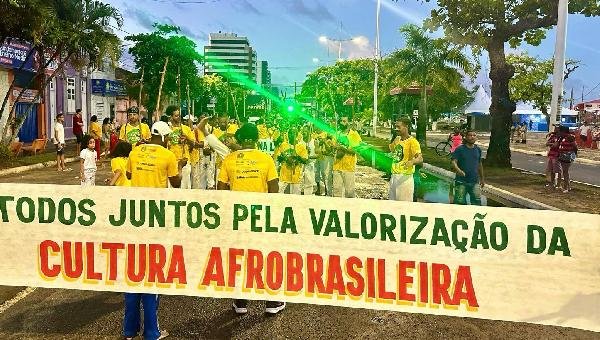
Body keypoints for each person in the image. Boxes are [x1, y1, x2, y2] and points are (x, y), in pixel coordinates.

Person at [216, 123, 286, 315]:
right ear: (256, 139)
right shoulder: (266, 159)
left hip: (238, 217)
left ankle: (241, 303)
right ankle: (272, 303)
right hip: (260, 216)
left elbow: (220, 189)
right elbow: (274, 189)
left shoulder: (229, 160)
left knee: (240, 257)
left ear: (240, 139)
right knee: (265, 257)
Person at [124, 121, 185, 340]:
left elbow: (130, 176)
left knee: (132, 271)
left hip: (133, 216)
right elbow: (176, 184)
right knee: (151, 273)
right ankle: (151, 332)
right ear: (167, 137)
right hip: (155, 218)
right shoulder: (168, 155)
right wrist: (180, 166)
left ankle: (129, 331)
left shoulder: (136, 151)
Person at [388, 117, 423, 201]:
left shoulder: (413, 142)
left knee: (403, 208)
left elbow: (420, 158)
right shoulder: (397, 139)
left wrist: (412, 162)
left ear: (406, 127)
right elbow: (391, 150)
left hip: (404, 178)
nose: (396, 129)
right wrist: (394, 135)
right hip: (394, 176)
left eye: (398, 127)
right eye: (395, 126)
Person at [451, 130, 485, 205]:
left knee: (477, 203)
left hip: (475, 181)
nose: (472, 137)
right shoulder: (460, 149)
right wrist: (458, 170)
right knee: (460, 203)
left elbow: (480, 165)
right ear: (466, 137)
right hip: (461, 182)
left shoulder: (478, 150)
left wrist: (482, 179)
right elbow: (453, 162)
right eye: (470, 135)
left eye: (474, 135)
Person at [332, 115, 362, 198]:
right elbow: (334, 147)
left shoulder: (354, 134)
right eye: (341, 121)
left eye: (344, 121)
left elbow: (356, 151)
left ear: (349, 122)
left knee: (349, 192)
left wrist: (342, 148)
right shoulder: (337, 134)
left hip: (348, 167)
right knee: (336, 191)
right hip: (336, 166)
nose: (342, 123)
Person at [274, 128, 308, 195]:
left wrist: (296, 158)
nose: (291, 135)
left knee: (296, 195)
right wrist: (285, 158)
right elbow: (278, 157)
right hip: (284, 173)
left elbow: (305, 160)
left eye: (293, 133)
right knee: (279, 192)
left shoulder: (301, 146)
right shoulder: (283, 145)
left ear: (297, 135)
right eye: (290, 133)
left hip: (296, 174)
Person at [556, 125, 578, 193]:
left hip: (567, 157)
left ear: (563, 131)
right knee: (565, 172)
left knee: (565, 172)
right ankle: (567, 186)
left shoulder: (570, 137)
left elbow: (575, 146)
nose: (558, 132)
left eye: (559, 131)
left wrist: (573, 155)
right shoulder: (562, 137)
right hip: (563, 156)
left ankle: (566, 187)